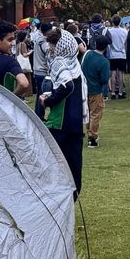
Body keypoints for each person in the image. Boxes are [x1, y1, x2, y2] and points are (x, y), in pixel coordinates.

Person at [38, 29, 86, 193]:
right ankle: (73, 196)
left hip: (60, 121)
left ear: (60, 47)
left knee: (54, 162)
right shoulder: (75, 64)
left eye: (52, 44)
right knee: (73, 164)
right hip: (76, 120)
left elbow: (67, 86)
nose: (50, 48)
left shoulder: (59, 62)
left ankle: (57, 199)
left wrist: (48, 101)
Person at [80, 35, 111, 148]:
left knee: (88, 114)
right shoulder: (103, 62)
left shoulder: (87, 54)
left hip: (84, 89)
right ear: (106, 47)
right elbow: (104, 79)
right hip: (96, 90)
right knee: (96, 114)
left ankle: (89, 133)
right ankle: (92, 137)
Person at [106, 16, 128, 99]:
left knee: (113, 74)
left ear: (112, 22)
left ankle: (113, 92)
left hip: (113, 54)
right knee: (121, 74)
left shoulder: (110, 31)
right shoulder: (125, 31)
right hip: (122, 54)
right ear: (120, 22)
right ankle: (121, 92)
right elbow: (125, 43)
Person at [29, 21, 51, 95]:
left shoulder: (38, 40)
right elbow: (49, 57)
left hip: (36, 70)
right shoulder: (45, 43)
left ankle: (37, 107)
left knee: (39, 96)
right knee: (43, 96)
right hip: (43, 71)